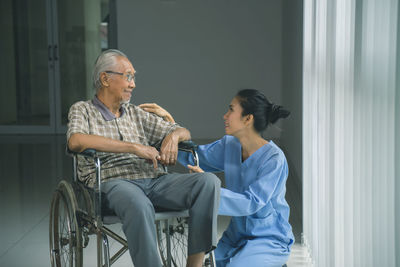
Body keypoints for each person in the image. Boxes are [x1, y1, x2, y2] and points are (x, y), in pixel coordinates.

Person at [66, 49, 221, 267]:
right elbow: (76, 141)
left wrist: (173, 137)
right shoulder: (82, 110)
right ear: (105, 79)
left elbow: (184, 131)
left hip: (153, 180)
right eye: (128, 76)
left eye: (133, 77)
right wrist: (134, 147)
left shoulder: (136, 114)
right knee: (139, 204)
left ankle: (193, 265)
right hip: (113, 182)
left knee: (208, 182)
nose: (133, 84)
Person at [141, 89, 294, 267]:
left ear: (247, 119)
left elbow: (252, 202)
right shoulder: (230, 145)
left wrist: (208, 191)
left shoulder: (274, 159)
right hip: (235, 237)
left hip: (268, 239)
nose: (225, 116)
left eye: (231, 110)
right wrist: (170, 125)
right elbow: (193, 156)